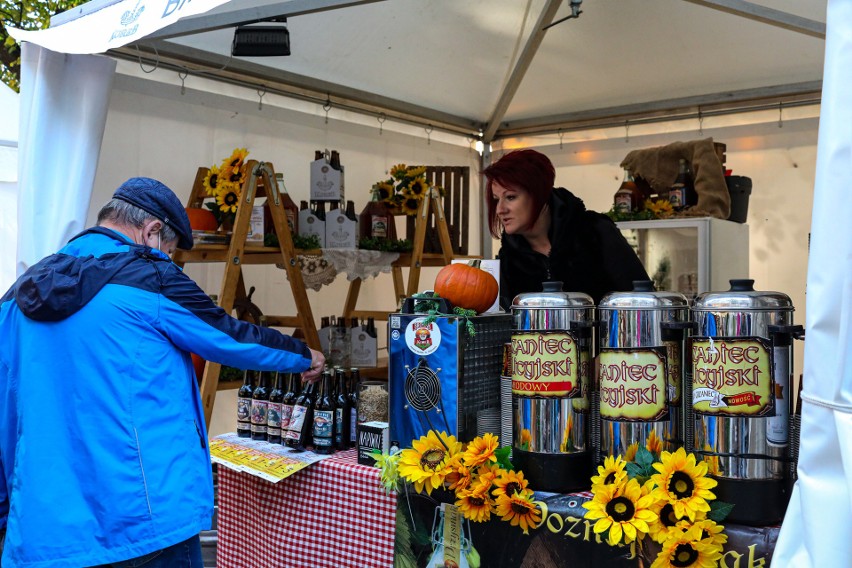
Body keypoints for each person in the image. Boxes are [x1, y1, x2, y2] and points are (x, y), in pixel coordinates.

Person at [0, 177, 325, 568]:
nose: (167, 260)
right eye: (169, 251)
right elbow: (229, 335)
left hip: (44, 534)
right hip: (146, 522)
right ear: (152, 232)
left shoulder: (19, 294)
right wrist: (303, 355)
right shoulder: (150, 277)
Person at [484, 149, 650, 308]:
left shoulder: (595, 232)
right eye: (496, 199)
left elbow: (643, 299)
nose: (500, 209)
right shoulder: (508, 261)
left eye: (510, 197)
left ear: (540, 195)